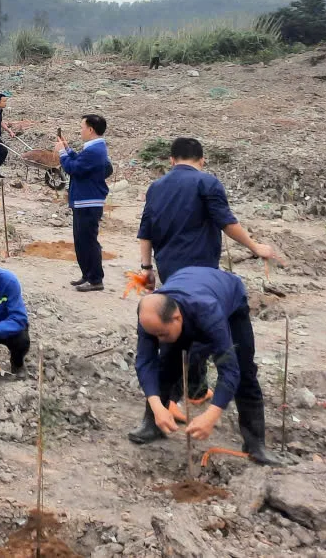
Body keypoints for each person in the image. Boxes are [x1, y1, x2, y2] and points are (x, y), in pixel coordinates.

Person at [136, 136, 283, 408]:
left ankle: (191, 390)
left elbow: (145, 231)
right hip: (202, 271)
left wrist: (146, 268)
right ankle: (185, 392)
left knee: (178, 325)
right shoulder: (207, 182)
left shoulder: (156, 187)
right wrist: (255, 246)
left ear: (171, 160)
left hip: (169, 268)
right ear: (202, 160)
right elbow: (227, 223)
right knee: (197, 329)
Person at [128, 267, 288, 466]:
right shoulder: (151, 316)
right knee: (166, 362)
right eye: (155, 335)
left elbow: (229, 369)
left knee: (244, 368)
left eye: (162, 334)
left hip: (229, 298)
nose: (159, 340)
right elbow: (145, 362)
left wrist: (211, 415)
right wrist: (157, 406)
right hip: (188, 283)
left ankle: (255, 445)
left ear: (177, 318)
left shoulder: (208, 312)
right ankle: (152, 424)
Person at [55, 114, 111, 292]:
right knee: (81, 240)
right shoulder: (94, 149)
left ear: (90, 129)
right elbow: (81, 162)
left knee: (88, 241)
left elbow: (74, 168)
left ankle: (95, 279)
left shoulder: (94, 150)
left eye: (81, 127)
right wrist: (68, 149)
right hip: (85, 200)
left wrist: (62, 153)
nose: (80, 131)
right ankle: (87, 274)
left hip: (88, 201)